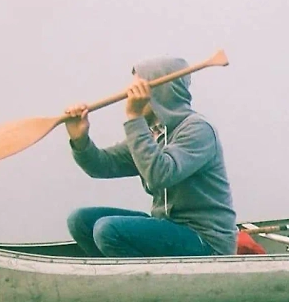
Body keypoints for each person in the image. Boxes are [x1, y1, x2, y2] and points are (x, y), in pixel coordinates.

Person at [63, 57, 238, 257]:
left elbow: (160, 175)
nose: (129, 96)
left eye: (137, 90)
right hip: (168, 227)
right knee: (80, 221)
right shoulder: (152, 133)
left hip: (205, 239)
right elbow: (101, 165)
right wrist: (80, 139)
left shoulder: (198, 130)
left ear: (158, 93)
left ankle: (140, 282)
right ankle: (117, 276)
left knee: (107, 230)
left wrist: (134, 118)